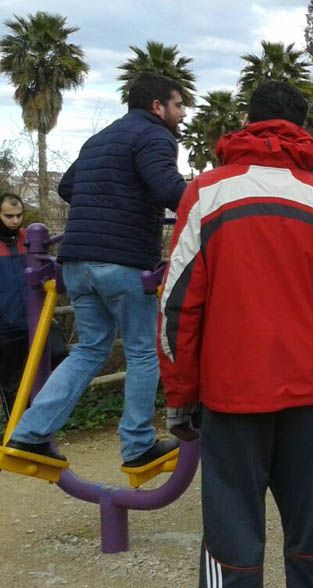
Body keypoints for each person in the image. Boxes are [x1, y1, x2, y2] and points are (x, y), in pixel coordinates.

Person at [158, 81, 313, 588]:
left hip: (230, 395)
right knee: (309, 520)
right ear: (303, 130)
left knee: (232, 531)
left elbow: (179, 304)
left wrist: (180, 395)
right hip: (305, 393)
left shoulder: (206, 193)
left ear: (247, 122)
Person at [6, 72, 187, 467]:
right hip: (122, 263)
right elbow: (169, 189)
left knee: (89, 349)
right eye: (178, 105)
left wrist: (112, 198)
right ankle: (138, 445)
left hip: (78, 262)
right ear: (158, 106)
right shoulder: (156, 136)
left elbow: (68, 186)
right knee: (143, 353)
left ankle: (30, 432)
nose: (182, 114)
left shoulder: (100, 138)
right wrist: (214, 200)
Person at [0, 193, 27, 407]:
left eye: (18, 215)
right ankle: (15, 435)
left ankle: (37, 430)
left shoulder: (28, 239)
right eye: (9, 216)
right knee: (12, 384)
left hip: (34, 320)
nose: (15, 220)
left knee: (58, 355)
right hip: (5, 326)